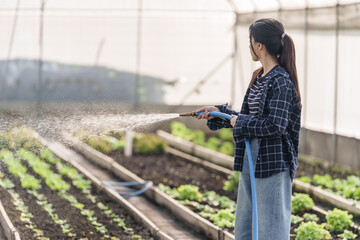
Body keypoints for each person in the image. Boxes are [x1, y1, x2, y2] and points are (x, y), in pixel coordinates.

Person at [195, 18, 302, 240]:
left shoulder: (281, 82)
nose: (249, 47)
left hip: (272, 164)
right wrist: (218, 112)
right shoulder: (259, 76)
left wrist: (239, 122)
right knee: (245, 227)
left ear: (259, 45)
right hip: (250, 157)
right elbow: (248, 118)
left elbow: (275, 125)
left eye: (250, 42)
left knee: (269, 231)